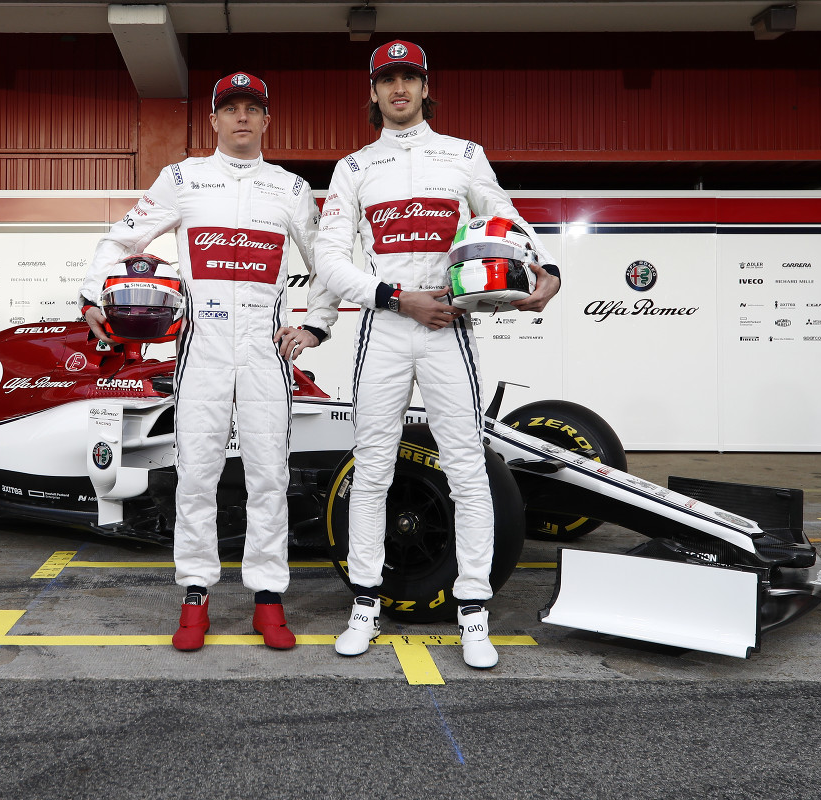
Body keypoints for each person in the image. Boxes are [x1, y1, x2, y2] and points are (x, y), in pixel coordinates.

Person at [312, 40, 561, 669]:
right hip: (387, 328)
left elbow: (506, 219)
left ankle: (472, 611)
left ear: (426, 88)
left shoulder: (464, 155)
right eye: (387, 79)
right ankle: (365, 604)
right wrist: (397, 298)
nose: (399, 89)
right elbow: (330, 261)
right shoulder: (353, 167)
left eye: (410, 78)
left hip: (451, 326)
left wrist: (545, 266)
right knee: (372, 470)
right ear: (372, 92)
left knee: (468, 469)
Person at [78, 72, 338, 652]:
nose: (242, 118)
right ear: (214, 120)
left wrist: (317, 324)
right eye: (231, 109)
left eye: (253, 109)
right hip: (203, 348)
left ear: (267, 120)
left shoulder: (290, 188)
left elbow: (326, 262)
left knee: (269, 473)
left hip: (266, 352)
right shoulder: (182, 178)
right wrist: (95, 294)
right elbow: (120, 241)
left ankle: (268, 599)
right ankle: (195, 594)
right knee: (198, 473)